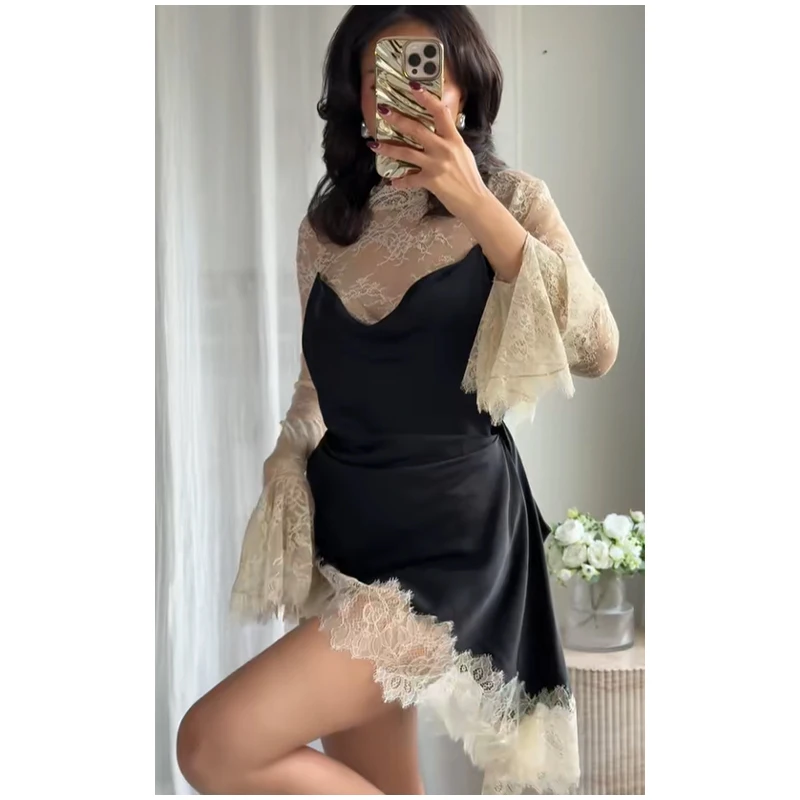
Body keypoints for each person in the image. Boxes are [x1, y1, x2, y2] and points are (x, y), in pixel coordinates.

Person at [177, 5, 618, 796]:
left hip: (452, 546)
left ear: (463, 88)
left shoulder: (514, 200)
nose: (404, 94)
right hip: (352, 535)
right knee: (376, 781)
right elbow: (317, 384)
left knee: (213, 745)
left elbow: (596, 349)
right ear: (356, 95)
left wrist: (475, 202)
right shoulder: (326, 228)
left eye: (426, 70)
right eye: (379, 74)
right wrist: (288, 450)